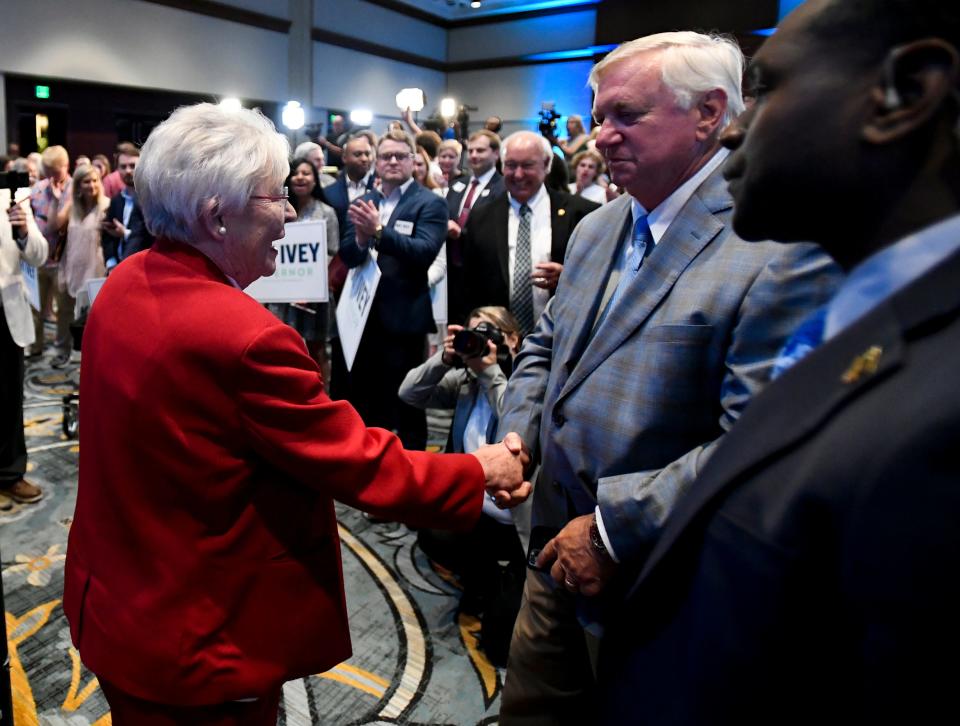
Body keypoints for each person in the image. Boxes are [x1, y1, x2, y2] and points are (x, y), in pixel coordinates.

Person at [63, 102, 530, 724]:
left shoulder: (125, 283)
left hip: (119, 606)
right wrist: (481, 471)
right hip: (200, 638)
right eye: (275, 197)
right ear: (217, 217)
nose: (289, 213)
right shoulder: (247, 337)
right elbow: (361, 466)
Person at [595, 2, 960, 724]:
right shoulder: (872, 323)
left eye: (765, 88)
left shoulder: (942, 408)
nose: (735, 126)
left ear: (904, 93)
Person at [495, 31, 842, 724]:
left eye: (626, 115)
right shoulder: (597, 228)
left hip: (658, 581)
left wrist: (614, 532)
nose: (601, 136)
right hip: (550, 552)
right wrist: (516, 435)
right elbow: (545, 345)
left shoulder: (779, 244)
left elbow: (764, 442)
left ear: (710, 113)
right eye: (597, 117)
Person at [400, 305, 527, 665]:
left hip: (520, 525)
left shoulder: (528, 382)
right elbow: (409, 394)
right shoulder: (466, 381)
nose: (478, 339)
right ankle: (485, 576)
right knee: (428, 531)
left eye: (487, 332)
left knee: (499, 649)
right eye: (471, 333)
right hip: (476, 512)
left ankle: (508, 580)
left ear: (512, 339)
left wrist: (492, 374)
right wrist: (445, 357)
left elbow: (517, 421)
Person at [335, 129, 449, 451]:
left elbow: (424, 251)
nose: (393, 161)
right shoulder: (363, 202)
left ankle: (416, 476)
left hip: (405, 320)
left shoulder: (430, 203)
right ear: (377, 162)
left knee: (408, 402)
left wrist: (379, 232)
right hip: (363, 319)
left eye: (401, 156)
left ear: (414, 161)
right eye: (386, 156)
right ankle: (374, 469)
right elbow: (348, 255)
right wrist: (360, 239)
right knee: (368, 401)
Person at [461, 131, 599, 333]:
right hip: (498, 345)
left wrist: (569, 278)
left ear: (546, 165)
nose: (518, 174)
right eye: (511, 165)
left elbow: (601, 278)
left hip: (562, 337)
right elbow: (467, 285)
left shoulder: (582, 214)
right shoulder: (481, 217)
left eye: (527, 165)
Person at [266, 157, 339, 384]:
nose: (300, 177)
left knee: (316, 349)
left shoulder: (327, 212)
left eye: (306, 173)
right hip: (282, 295)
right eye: (296, 173)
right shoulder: (277, 210)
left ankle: (320, 394)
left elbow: (332, 252)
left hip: (314, 295)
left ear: (315, 180)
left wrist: (310, 284)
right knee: (282, 348)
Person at [0, 184, 47, 508]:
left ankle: (9, 474)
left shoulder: (11, 198)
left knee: (9, 396)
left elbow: (39, 253)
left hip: (7, 312)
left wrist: (23, 231)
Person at [445, 129, 505, 324]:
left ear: (496, 154)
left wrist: (461, 233)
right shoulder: (457, 185)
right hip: (453, 273)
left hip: (483, 275)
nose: (473, 156)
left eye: (480, 150)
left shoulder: (503, 187)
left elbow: (495, 230)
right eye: (470, 151)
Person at [54, 164, 109, 366]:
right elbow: (62, 236)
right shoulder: (73, 210)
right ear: (78, 185)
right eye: (86, 181)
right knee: (67, 314)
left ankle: (91, 359)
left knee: (91, 321)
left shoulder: (106, 206)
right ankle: (64, 351)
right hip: (72, 268)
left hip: (96, 272)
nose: (92, 185)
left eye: (95, 180)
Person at [28, 145, 72, 360]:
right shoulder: (38, 187)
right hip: (39, 259)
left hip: (62, 260)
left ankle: (62, 350)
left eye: (55, 171)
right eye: (48, 172)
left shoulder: (74, 189)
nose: (51, 177)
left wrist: (56, 199)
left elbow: (56, 225)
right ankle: (35, 347)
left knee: (64, 310)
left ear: (65, 166)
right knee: (35, 305)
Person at [100, 143, 153, 271]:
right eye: (123, 167)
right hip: (118, 268)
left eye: (132, 166)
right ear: (117, 169)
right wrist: (111, 263)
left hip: (144, 268)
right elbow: (107, 238)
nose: (128, 171)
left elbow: (154, 237)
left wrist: (125, 233)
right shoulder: (116, 200)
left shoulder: (151, 199)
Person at [322, 133, 375, 232]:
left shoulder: (381, 188)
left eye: (367, 154)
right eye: (358, 154)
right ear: (344, 158)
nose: (364, 159)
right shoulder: (328, 192)